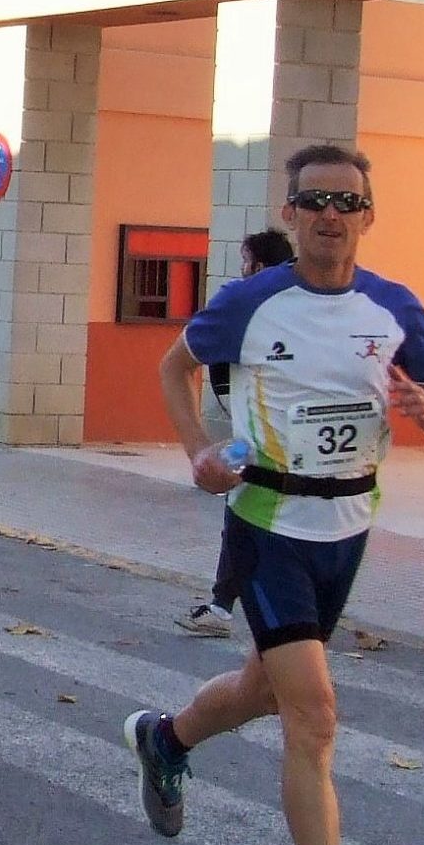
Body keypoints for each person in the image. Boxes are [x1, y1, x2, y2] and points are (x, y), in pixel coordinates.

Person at [128, 143, 424, 845]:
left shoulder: (393, 308)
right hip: (266, 520)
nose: (329, 216)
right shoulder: (251, 302)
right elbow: (175, 366)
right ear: (290, 214)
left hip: (347, 527)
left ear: (368, 215)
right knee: (314, 714)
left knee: (265, 690)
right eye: (313, 201)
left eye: (346, 203)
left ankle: (168, 740)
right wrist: (197, 453)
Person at [179, 227, 298, 634]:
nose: (242, 269)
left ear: (259, 265)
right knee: (240, 510)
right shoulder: (283, 308)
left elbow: (203, 364)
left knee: (250, 515)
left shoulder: (252, 310)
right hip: (255, 438)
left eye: (246, 261)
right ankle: (223, 603)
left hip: (267, 440)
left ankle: (228, 605)